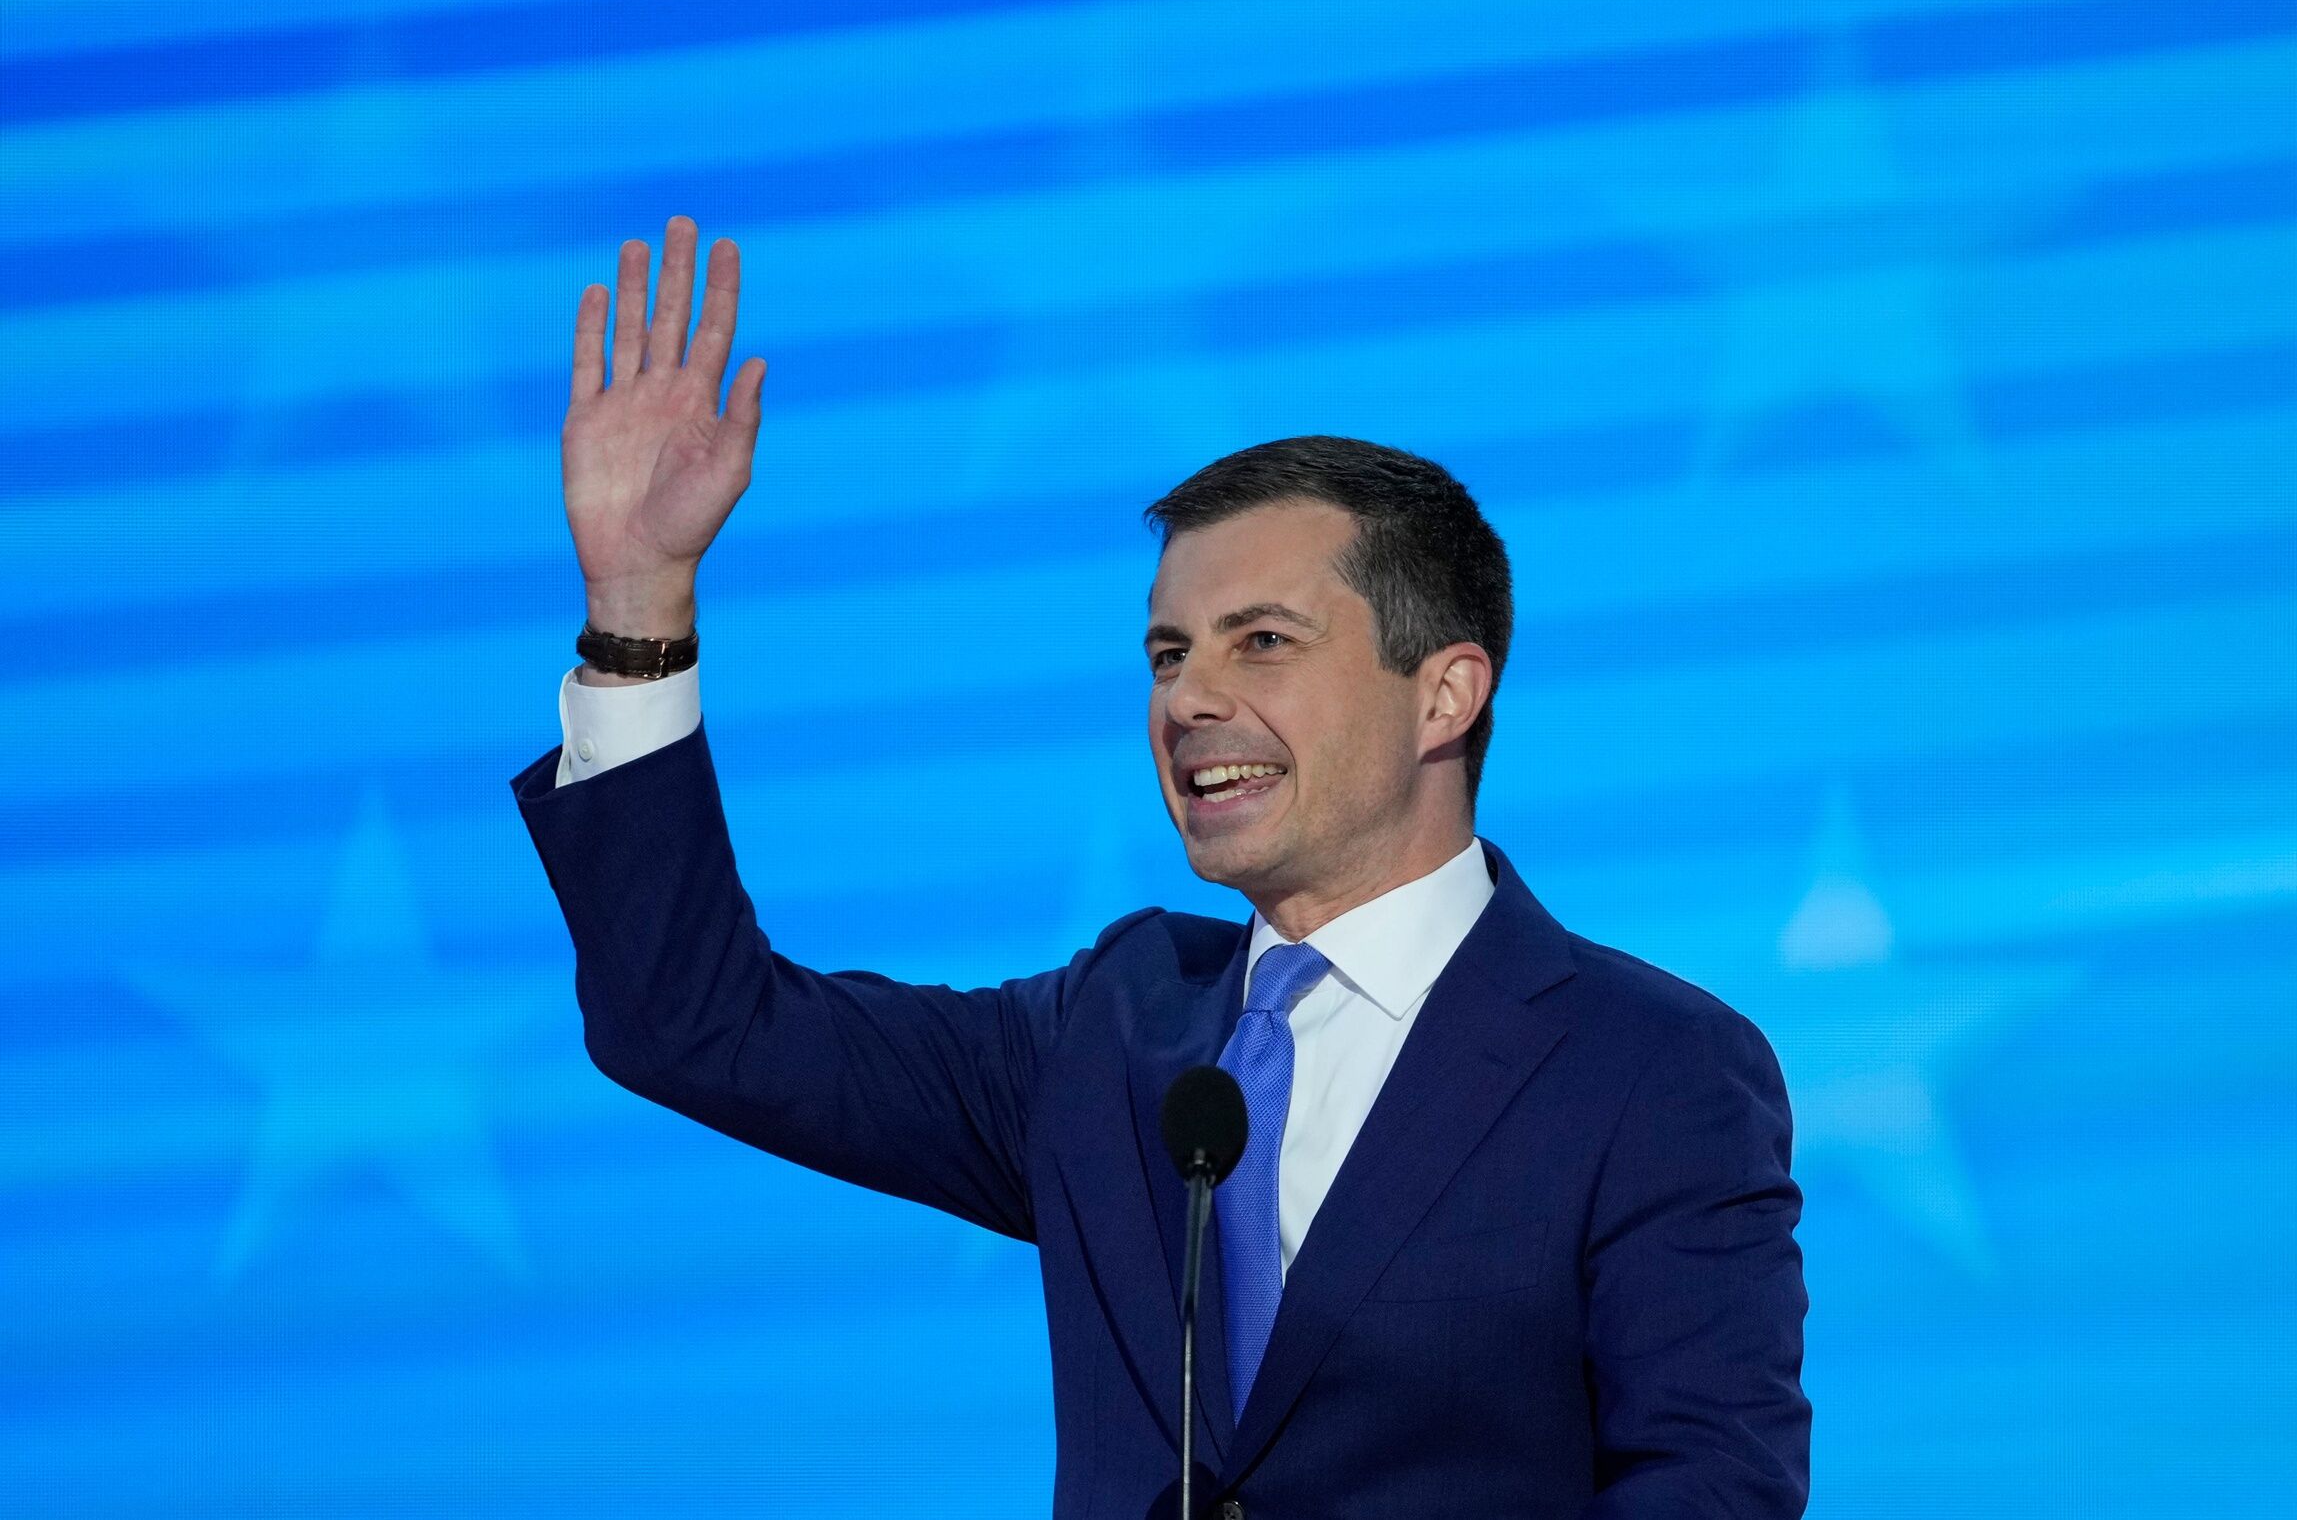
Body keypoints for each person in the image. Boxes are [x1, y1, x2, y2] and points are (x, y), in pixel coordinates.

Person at [512, 217, 1810, 1519]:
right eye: (1168, 652)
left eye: (1261, 641)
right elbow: (694, 1021)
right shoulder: (1112, 1027)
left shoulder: (1652, 1069)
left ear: (1444, 695)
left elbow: (1709, 1493)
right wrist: (638, 605)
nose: (1190, 697)